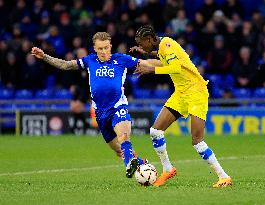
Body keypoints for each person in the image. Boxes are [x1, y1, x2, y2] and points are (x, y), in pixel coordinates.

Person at [31, 32, 148, 178]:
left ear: (110, 46)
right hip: (100, 113)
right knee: (119, 150)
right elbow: (66, 65)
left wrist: (170, 64)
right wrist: (45, 56)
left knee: (124, 136)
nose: (104, 51)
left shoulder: (121, 59)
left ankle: (129, 164)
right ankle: (141, 163)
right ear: (94, 48)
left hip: (118, 106)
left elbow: (147, 64)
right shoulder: (89, 61)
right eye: (100, 49)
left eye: (106, 48)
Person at [131, 25, 232, 188]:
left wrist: (152, 69)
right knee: (155, 132)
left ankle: (224, 176)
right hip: (181, 93)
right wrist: (144, 62)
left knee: (197, 141)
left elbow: (176, 67)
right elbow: (162, 62)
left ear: (150, 39)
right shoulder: (161, 48)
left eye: (142, 43)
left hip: (196, 92)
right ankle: (168, 169)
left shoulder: (167, 45)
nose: (141, 46)